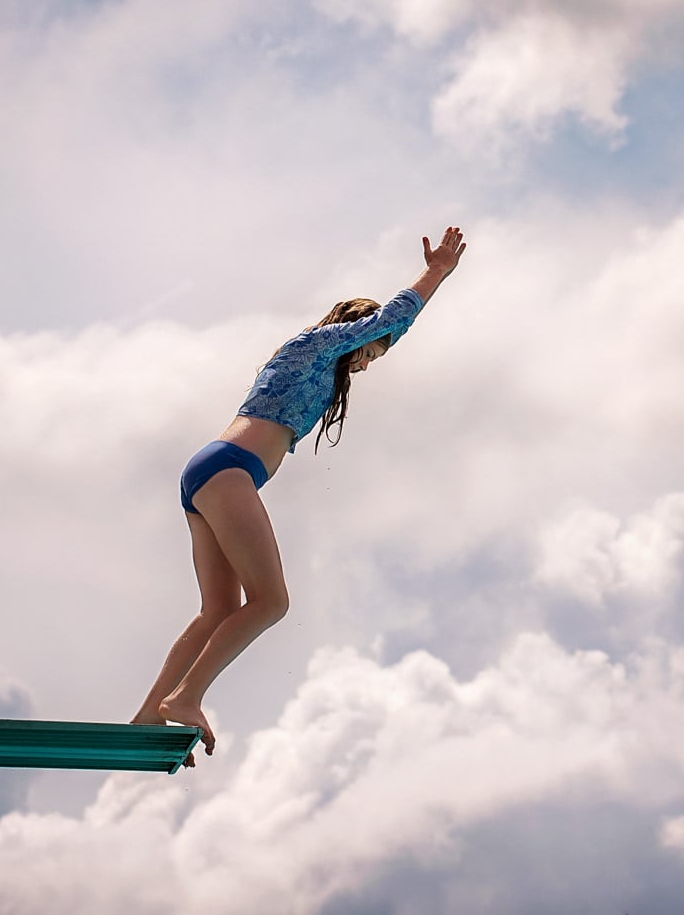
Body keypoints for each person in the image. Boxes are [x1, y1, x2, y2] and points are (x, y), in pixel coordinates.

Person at [132, 226, 468, 761]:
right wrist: (436, 273)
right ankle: (186, 698)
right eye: (368, 354)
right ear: (354, 333)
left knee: (219, 608)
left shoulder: (316, 365)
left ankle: (151, 713)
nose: (364, 364)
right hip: (228, 470)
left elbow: (384, 335)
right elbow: (390, 321)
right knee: (272, 602)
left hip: (210, 473)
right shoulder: (313, 344)